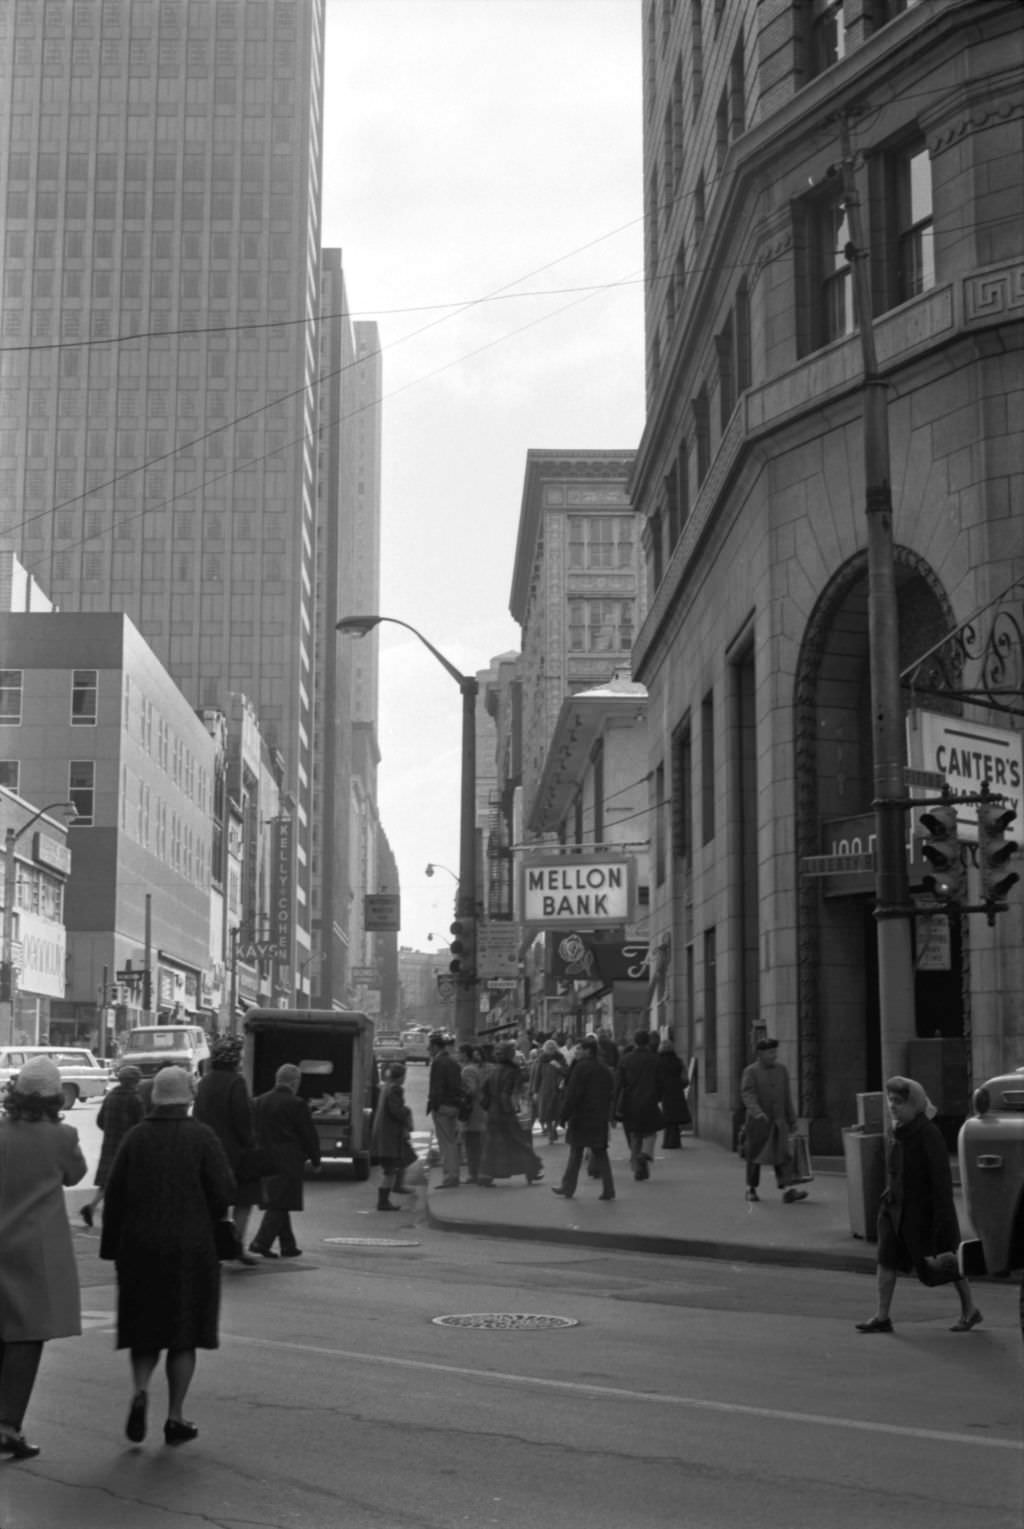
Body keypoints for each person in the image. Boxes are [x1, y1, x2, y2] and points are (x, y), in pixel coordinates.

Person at [99, 1065, 235, 1448]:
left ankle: (141, 1390)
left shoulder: (136, 1138)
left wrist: (112, 1249)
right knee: (183, 1334)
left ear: (154, 1097)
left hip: (139, 1247)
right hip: (191, 1248)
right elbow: (223, 1192)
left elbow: (116, 1196)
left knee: (144, 1329)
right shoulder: (203, 1137)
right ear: (188, 1098)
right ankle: (174, 1416)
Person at [0, 1057, 88, 1460]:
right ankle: (7, 1425)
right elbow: (75, 1175)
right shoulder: (63, 1137)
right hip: (37, 1252)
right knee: (27, 1338)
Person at [856, 1076, 982, 1335]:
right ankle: (882, 1316)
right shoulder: (898, 1130)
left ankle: (970, 1309)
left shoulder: (928, 1134)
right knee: (886, 1258)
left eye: (899, 1102)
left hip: (921, 1212)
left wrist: (942, 1219)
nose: (893, 1106)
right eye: (890, 1101)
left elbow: (941, 1181)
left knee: (946, 1261)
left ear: (914, 1104)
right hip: (894, 1209)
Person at [193, 1033, 264, 1265]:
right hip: (235, 1153)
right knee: (244, 1200)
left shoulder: (204, 1082)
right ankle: (236, 1246)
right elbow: (242, 1119)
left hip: (208, 1151)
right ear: (234, 1059)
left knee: (217, 1202)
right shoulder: (236, 1082)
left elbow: (197, 1115)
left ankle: (215, 1248)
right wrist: (251, 1144)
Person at [248, 1063, 321, 1258]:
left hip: (263, 1158)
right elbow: (307, 1134)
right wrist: (316, 1159)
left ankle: (288, 1245)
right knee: (280, 1204)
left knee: (280, 1200)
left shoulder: (258, 1102)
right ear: (294, 1082)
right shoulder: (297, 1104)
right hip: (288, 1159)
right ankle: (260, 1242)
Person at [739, 1037, 807, 1203]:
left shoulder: (782, 1070)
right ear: (760, 1054)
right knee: (755, 1156)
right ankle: (751, 1189)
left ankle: (788, 1189)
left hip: (778, 1121)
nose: (774, 1055)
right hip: (759, 1123)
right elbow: (747, 1094)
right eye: (770, 1052)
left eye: (775, 1052)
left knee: (782, 1155)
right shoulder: (751, 1071)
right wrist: (757, 1112)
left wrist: (792, 1120)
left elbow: (786, 1097)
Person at [551, 1035, 616, 1201]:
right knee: (600, 1153)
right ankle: (609, 1189)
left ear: (588, 1051)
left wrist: (564, 1116)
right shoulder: (603, 1068)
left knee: (575, 1153)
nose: (576, 1052)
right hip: (599, 1116)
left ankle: (568, 1187)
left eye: (579, 1049)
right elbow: (610, 1091)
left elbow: (573, 1095)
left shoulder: (580, 1068)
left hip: (581, 1116)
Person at [81, 1064, 145, 1227]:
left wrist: (110, 1131)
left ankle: (92, 1206)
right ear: (134, 1081)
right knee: (130, 1179)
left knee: (107, 1179)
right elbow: (141, 1124)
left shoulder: (111, 1096)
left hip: (110, 1142)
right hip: (129, 1144)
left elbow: (100, 1120)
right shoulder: (135, 1098)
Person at [477, 1042, 544, 1187]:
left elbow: (483, 1091)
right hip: (505, 1113)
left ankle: (486, 1175)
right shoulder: (513, 1071)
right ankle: (532, 1170)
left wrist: (488, 1106)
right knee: (519, 1141)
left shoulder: (493, 1071)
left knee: (491, 1145)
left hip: (493, 1113)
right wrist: (511, 1111)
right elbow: (506, 1094)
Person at [614, 1029, 663, 1180]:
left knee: (635, 1134)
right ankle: (645, 1154)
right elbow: (661, 1081)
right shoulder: (655, 1059)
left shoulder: (626, 1059)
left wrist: (616, 1104)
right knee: (650, 1132)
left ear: (635, 1042)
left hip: (630, 1101)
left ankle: (637, 1167)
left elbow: (619, 1083)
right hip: (650, 1100)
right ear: (648, 1042)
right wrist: (658, 1096)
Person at [370, 1063, 415, 1211]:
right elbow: (396, 1111)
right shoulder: (394, 1090)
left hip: (385, 1135)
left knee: (399, 1162)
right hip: (390, 1136)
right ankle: (383, 1202)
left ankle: (392, 1191)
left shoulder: (386, 1088)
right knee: (390, 1170)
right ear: (400, 1077)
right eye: (404, 1076)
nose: (404, 1079)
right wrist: (407, 1113)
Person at [426, 1030, 464, 1188]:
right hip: (454, 1106)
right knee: (452, 1142)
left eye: (430, 1047)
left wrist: (434, 1105)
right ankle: (454, 1174)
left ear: (436, 1047)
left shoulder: (438, 1062)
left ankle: (450, 1176)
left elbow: (437, 1087)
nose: (429, 1050)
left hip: (442, 1107)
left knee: (446, 1143)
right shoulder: (453, 1062)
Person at [458, 1043, 488, 1184]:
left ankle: (474, 1173)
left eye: (460, 1053)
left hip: (472, 1112)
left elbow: (472, 1089)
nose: (458, 1055)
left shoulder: (468, 1070)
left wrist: (460, 1094)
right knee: (475, 1143)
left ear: (464, 1054)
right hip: (478, 1110)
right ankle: (477, 1173)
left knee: (472, 1144)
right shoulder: (474, 1068)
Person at [655, 1038, 691, 1149]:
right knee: (675, 1118)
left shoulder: (657, 1062)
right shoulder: (678, 1061)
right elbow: (685, 1079)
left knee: (667, 1117)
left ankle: (668, 1142)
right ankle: (675, 1141)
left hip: (664, 1092)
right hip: (676, 1091)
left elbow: (655, 1078)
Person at [532, 1039, 569, 1144]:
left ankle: (554, 1127)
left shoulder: (560, 1058)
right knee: (546, 1112)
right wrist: (535, 1091)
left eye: (553, 1048)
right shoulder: (541, 1060)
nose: (551, 1050)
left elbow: (567, 1072)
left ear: (556, 1048)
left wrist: (558, 1066)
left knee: (558, 1111)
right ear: (545, 1049)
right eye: (549, 1048)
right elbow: (537, 1076)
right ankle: (550, 1131)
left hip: (558, 1089)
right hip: (545, 1089)